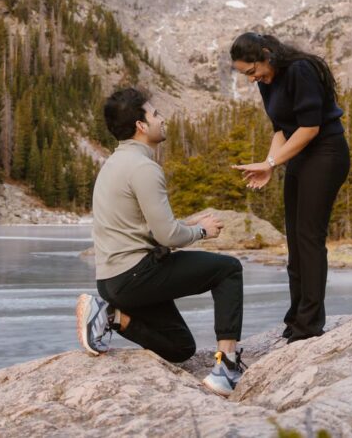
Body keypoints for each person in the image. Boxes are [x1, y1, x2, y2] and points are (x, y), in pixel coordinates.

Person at [76, 87, 247, 396]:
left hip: (112, 282)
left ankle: (111, 315)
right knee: (229, 269)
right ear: (141, 125)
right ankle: (227, 367)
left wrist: (185, 225)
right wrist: (201, 231)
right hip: (136, 275)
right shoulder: (144, 168)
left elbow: (144, 228)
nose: (162, 118)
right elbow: (167, 236)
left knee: (180, 347)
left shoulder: (114, 163)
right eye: (155, 114)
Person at [230, 33, 350, 343]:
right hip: (299, 156)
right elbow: (281, 131)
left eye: (252, 71)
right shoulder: (266, 81)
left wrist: (272, 162)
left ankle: (309, 324)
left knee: (309, 238)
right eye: (246, 75)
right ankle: (296, 315)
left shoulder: (300, 70)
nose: (252, 79)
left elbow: (309, 129)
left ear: (266, 54)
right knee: (295, 240)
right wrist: (269, 164)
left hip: (326, 154)